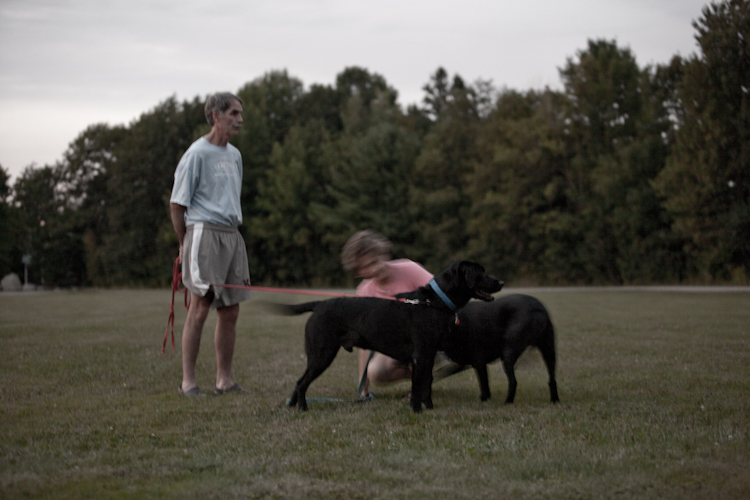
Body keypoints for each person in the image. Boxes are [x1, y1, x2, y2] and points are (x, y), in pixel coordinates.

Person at [169, 92, 252, 397]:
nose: (239, 120)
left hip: (232, 234)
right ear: (216, 116)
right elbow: (177, 204)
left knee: (230, 310)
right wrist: (184, 244)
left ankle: (224, 380)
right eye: (233, 113)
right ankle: (188, 382)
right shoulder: (196, 153)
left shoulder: (235, 155)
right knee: (200, 306)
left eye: (240, 113)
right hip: (203, 233)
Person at [341, 230, 433, 397]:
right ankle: (421, 377)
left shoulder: (410, 269)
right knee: (376, 371)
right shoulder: (365, 292)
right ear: (359, 272)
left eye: (376, 260)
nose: (375, 268)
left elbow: (441, 297)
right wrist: (363, 388)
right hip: (399, 346)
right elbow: (365, 342)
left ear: (383, 253)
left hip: (431, 338)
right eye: (367, 267)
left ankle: (421, 385)